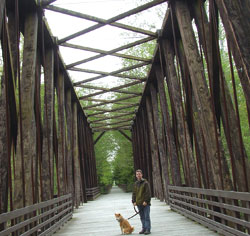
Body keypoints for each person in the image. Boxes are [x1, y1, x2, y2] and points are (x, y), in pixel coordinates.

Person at [132, 169, 151, 235]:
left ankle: (148, 229)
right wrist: (133, 201)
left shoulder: (145, 183)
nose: (138, 175)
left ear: (141, 175)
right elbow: (134, 193)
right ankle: (144, 228)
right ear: (136, 175)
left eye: (139, 174)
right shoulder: (136, 183)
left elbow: (148, 193)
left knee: (146, 216)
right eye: (137, 174)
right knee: (142, 217)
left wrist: (146, 201)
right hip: (138, 203)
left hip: (145, 203)